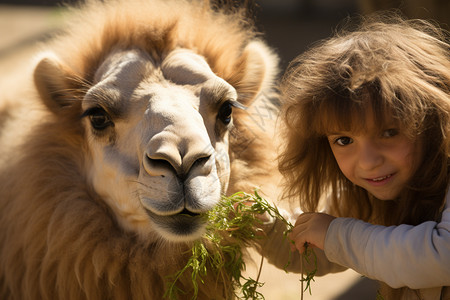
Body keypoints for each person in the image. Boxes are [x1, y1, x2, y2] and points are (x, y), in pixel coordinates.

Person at [258, 14, 450, 300]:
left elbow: (440, 258)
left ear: (432, 121)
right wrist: (259, 223)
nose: (368, 161)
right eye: (344, 140)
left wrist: (336, 234)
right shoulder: (368, 192)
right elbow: (315, 254)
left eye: (388, 133)